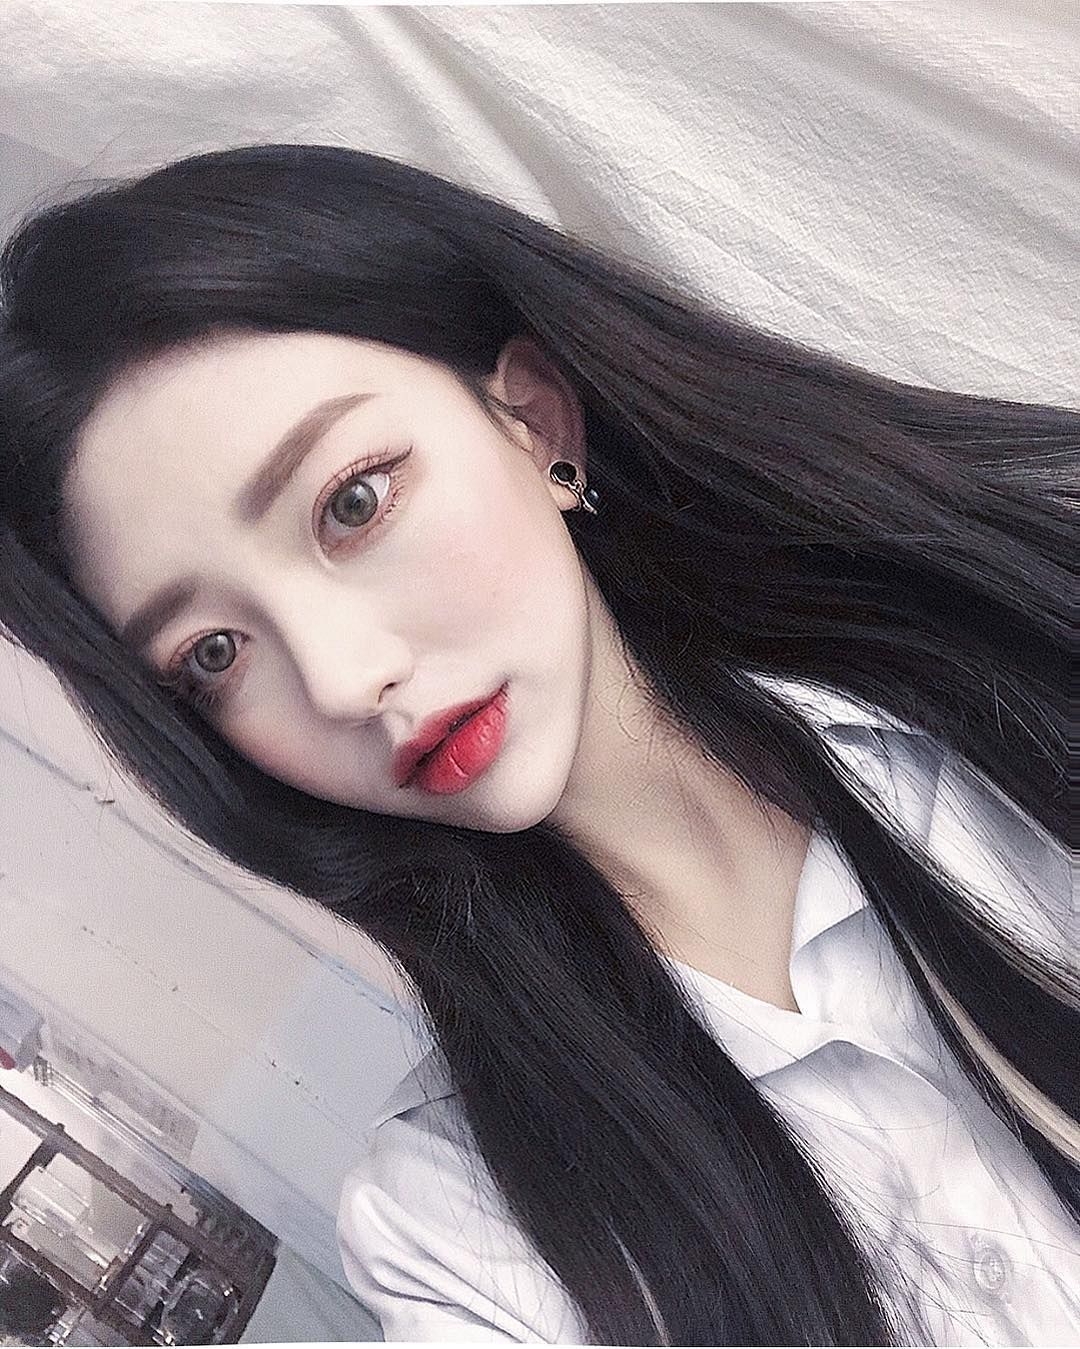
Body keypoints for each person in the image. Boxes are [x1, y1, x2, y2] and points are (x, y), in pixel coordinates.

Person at [0, 143, 1074, 1347]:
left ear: (532, 420)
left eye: (353, 502)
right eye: (213, 653)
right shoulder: (452, 1230)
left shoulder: (1018, 700)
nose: (347, 680)